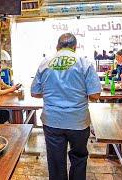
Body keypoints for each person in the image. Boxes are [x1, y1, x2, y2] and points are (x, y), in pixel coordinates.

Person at [31, 33, 101, 180]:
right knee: (79, 158)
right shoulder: (84, 63)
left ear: (57, 46)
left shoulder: (45, 63)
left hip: (52, 121)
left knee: (56, 161)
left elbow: (35, 93)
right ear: (75, 47)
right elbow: (95, 95)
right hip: (78, 122)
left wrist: (53, 93)